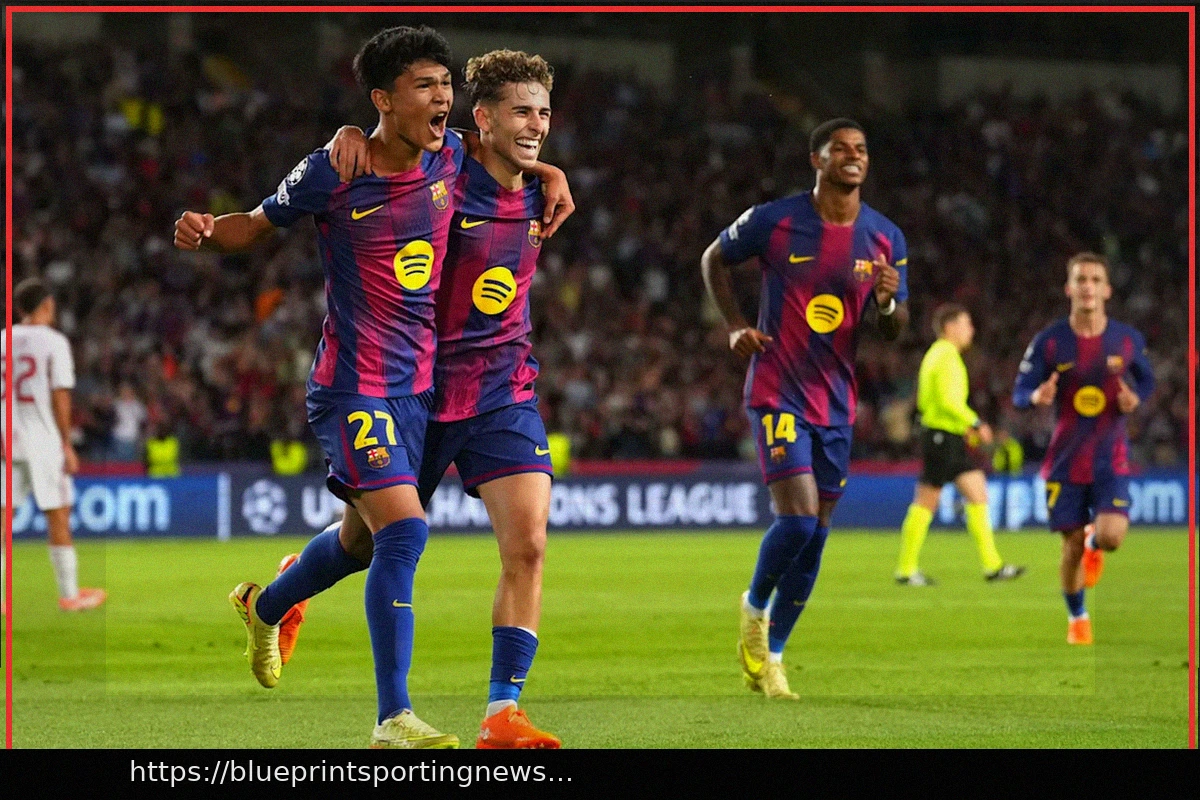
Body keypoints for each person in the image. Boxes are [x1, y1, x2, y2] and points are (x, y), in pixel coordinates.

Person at [173, 26, 572, 749]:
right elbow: (256, 224)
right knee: (396, 534)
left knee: (445, 544)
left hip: (460, 389)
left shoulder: (455, 156)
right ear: (385, 99)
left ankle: (495, 711)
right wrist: (210, 228)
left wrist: (551, 170)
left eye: (446, 86)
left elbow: (503, 146)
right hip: (364, 384)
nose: (443, 98)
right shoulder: (346, 168)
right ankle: (388, 714)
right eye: (426, 86)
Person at [317, 49, 563, 750]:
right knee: (359, 544)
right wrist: (349, 133)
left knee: (529, 546)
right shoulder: (441, 174)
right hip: (419, 390)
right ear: (482, 118)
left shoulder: (543, 192)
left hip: (504, 390)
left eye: (544, 113)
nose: (537, 125)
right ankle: (273, 600)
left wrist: (551, 171)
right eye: (522, 111)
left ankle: (502, 713)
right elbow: (389, 146)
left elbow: (534, 166)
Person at [701, 118, 908, 699]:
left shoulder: (885, 238)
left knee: (816, 536)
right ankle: (754, 607)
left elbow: (894, 330)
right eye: (840, 148)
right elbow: (713, 258)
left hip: (836, 403)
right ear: (817, 160)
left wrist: (887, 304)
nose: (853, 156)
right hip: (778, 389)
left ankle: (773, 658)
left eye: (861, 148)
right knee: (795, 519)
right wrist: (735, 324)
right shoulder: (776, 220)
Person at [1012, 252, 1154, 645]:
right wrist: (1035, 396)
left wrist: (1135, 399)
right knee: (1070, 546)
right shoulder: (1049, 342)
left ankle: (1096, 544)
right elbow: (1020, 392)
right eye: (1080, 279)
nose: (1087, 286)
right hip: (1066, 459)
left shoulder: (1126, 339)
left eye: (1095, 279)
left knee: (1111, 537)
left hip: (1111, 456)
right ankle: (1078, 618)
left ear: (1107, 290)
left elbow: (1146, 381)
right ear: (1069, 288)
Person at [894, 303, 1024, 586]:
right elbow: (948, 401)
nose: (971, 330)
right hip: (940, 437)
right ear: (950, 327)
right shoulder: (946, 356)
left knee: (977, 493)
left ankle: (993, 566)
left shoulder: (939, 354)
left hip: (946, 436)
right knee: (927, 501)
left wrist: (963, 428)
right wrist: (974, 422)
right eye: (966, 324)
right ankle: (905, 569)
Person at [1, 278, 107, 612]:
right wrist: (66, 444)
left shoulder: (2, 339)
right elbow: (60, 395)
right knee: (58, 513)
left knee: (2, 517)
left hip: (6, 439)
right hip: (42, 440)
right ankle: (69, 595)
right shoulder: (54, 342)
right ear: (47, 305)